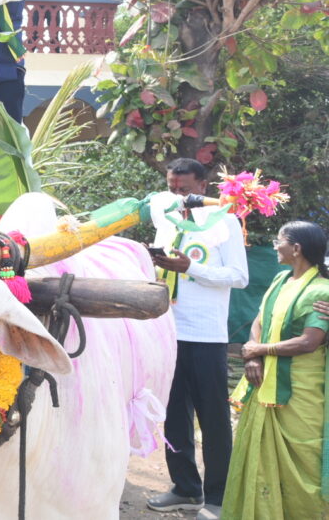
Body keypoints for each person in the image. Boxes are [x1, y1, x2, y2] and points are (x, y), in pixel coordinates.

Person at [147, 158, 249, 520]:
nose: (178, 196)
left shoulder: (224, 222)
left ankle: (219, 496)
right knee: (174, 415)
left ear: (203, 187)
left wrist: (192, 268)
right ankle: (185, 488)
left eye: (185, 189)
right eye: (172, 188)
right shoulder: (167, 221)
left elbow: (239, 277)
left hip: (206, 336)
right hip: (169, 332)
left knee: (213, 417)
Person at [222, 222, 329, 520]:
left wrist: (260, 350)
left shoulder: (321, 290)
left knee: (304, 460)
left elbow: (309, 342)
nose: (274, 246)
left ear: (296, 248)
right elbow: (259, 319)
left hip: (300, 390)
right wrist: (253, 357)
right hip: (264, 381)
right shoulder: (281, 279)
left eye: (278, 240)